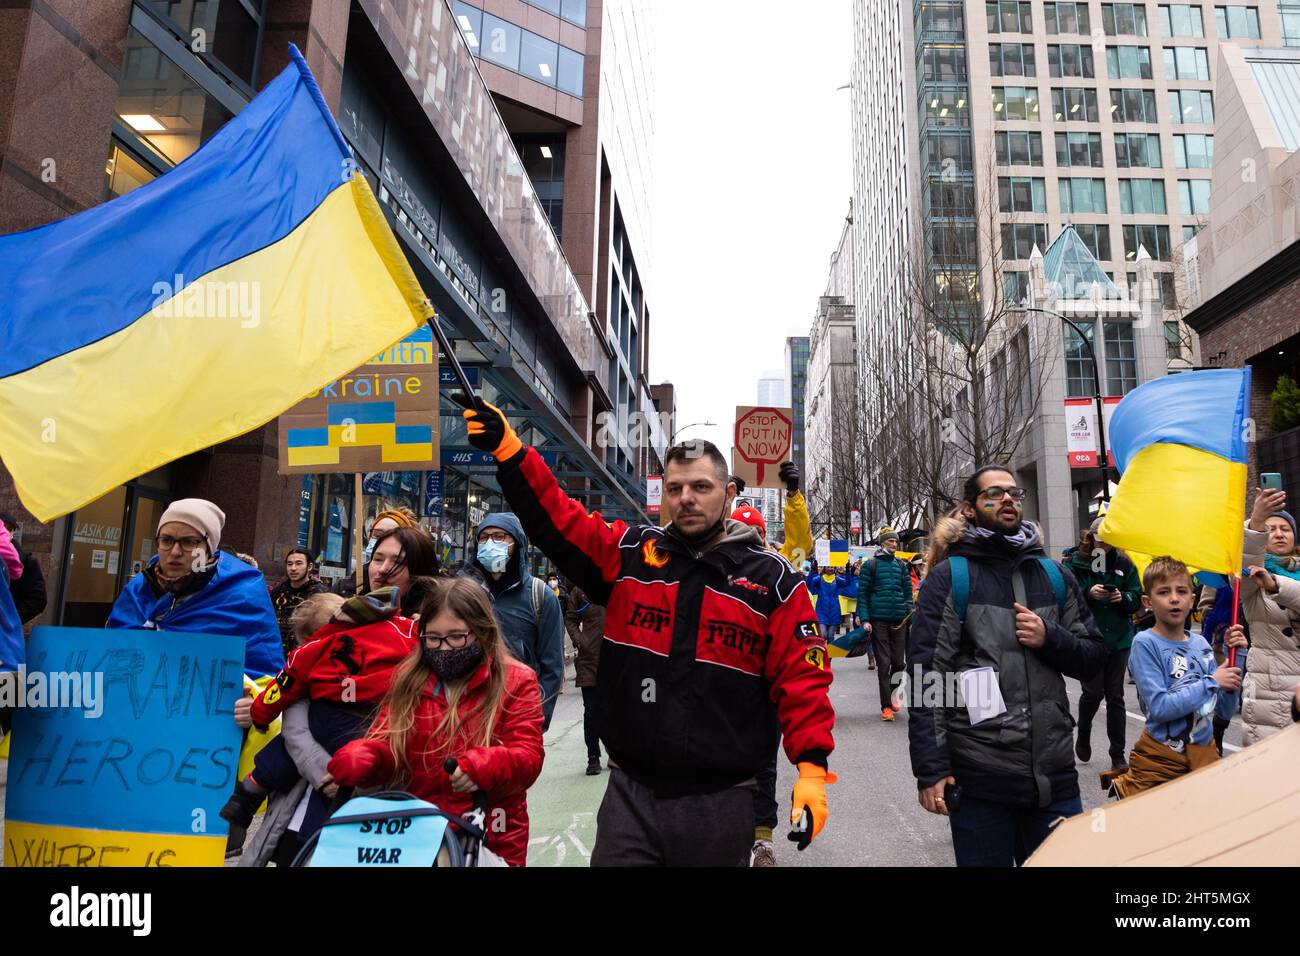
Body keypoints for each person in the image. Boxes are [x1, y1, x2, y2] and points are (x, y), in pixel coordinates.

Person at [460, 395, 836, 866]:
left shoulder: (774, 580)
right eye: (676, 487)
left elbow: (803, 681)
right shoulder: (631, 554)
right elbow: (559, 519)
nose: (686, 498)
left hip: (722, 802)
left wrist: (812, 769)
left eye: (700, 486)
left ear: (728, 492)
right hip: (630, 798)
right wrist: (512, 453)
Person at [909, 466, 1104, 867]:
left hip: (1055, 777)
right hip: (981, 775)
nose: (1008, 499)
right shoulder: (950, 579)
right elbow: (926, 678)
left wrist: (1051, 637)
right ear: (969, 508)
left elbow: (1092, 659)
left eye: (1014, 492)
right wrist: (931, 768)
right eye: (993, 494)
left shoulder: (1054, 575)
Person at [327, 577, 546, 867]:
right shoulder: (408, 678)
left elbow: (528, 757)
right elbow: (389, 743)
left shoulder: (516, 681)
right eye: (433, 638)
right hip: (418, 839)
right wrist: (366, 756)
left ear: (481, 632)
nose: (444, 648)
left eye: (456, 637)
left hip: (490, 838)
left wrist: (482, 766)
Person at [107, 498, 284, 695]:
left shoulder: (244, 594)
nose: (174, 552)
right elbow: (109, 654)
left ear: (209, 549)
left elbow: (266, 678)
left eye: (189, 542)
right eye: (166, 540)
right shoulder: (138, 589)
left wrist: (252, 705)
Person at [1106, 557, 1246, 797]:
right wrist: (1212, 681)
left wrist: (1238, 657)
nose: (1174, 598)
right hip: (1161, 762)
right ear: (1147, 601)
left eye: (1181, 591)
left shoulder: (1201, 645)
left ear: (1192, 600)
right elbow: (1159, 707)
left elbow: (1222, 710)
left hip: (1202, 757)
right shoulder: (1145, 643)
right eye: (1164, 592)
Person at [459, 514, 564, 732]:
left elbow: (552, 667)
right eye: (484, 537)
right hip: (466, 718)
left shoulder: (541, 596)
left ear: (517, 544)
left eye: (500, 536)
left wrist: (535, 719)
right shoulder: (461, 593)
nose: (490, 544)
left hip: (517, 719)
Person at [1067, 517, 1142, 772]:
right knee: (1093, 692)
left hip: (1119, 638)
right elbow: (1070, 596)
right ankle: (1084, 732)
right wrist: (1089, 593)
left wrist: (1123, 597)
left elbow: (1135, 598)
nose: (1105, 544)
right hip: (1090, 637)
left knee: (1115, 696)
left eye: (1109, 539)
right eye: (1100, 539)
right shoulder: (1077, 561)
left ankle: (1117, 754)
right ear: (1092, 537)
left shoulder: (1123, 563)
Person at [1238, 487, 1300, 746]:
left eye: (1284, 529)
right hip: (1270, 694)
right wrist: (1256, 522)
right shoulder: (1252, 576)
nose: (1278, 533)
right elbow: (1246, 563)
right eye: (1271, 529)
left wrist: (1276, 585)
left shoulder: (1273, 580)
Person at [858, 527, 914, 722]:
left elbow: (908, 593)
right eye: (891, 541)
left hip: (900, 621)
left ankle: (893, 696)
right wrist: (865, 619)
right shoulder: (870, 565)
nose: (894, 544)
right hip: (878, 620)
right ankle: (886, 706)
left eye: (896, 542)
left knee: (899, 663)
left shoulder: (901, 565)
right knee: (884, 664)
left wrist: (910, 615)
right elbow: (863, 594)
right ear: (882, 542)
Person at [565, 584, 605, 774]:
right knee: (591, 712)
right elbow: (571, 618)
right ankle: (593, 757)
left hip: (618, 659)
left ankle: (617, 753)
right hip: (590, 660)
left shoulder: (621, 579)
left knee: (617, 711)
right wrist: (580, 641)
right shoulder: (580, 589)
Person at [336, 507, 421, 597]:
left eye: (397, 562)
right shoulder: (345, 587)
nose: (382, 569)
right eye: (377, 535)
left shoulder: (422, 601)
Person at [368, 525, 442, 616]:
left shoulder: (432, 626)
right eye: (378, 559)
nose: (382, 569)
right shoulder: (350, 617)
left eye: (398, 562)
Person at [269, 548, 328, 658]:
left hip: (304, 655)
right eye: (289, 564)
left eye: (299, 563)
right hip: (276, 653)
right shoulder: (278, 591)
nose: (293, 568)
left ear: (309, 566)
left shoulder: (319, 594)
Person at [1, 513, 45, 624]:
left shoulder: (27, 562)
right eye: (3, 527)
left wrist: (12, 620)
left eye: (9, 528)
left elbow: (38, 599)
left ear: (13, 533)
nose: (5, 531)